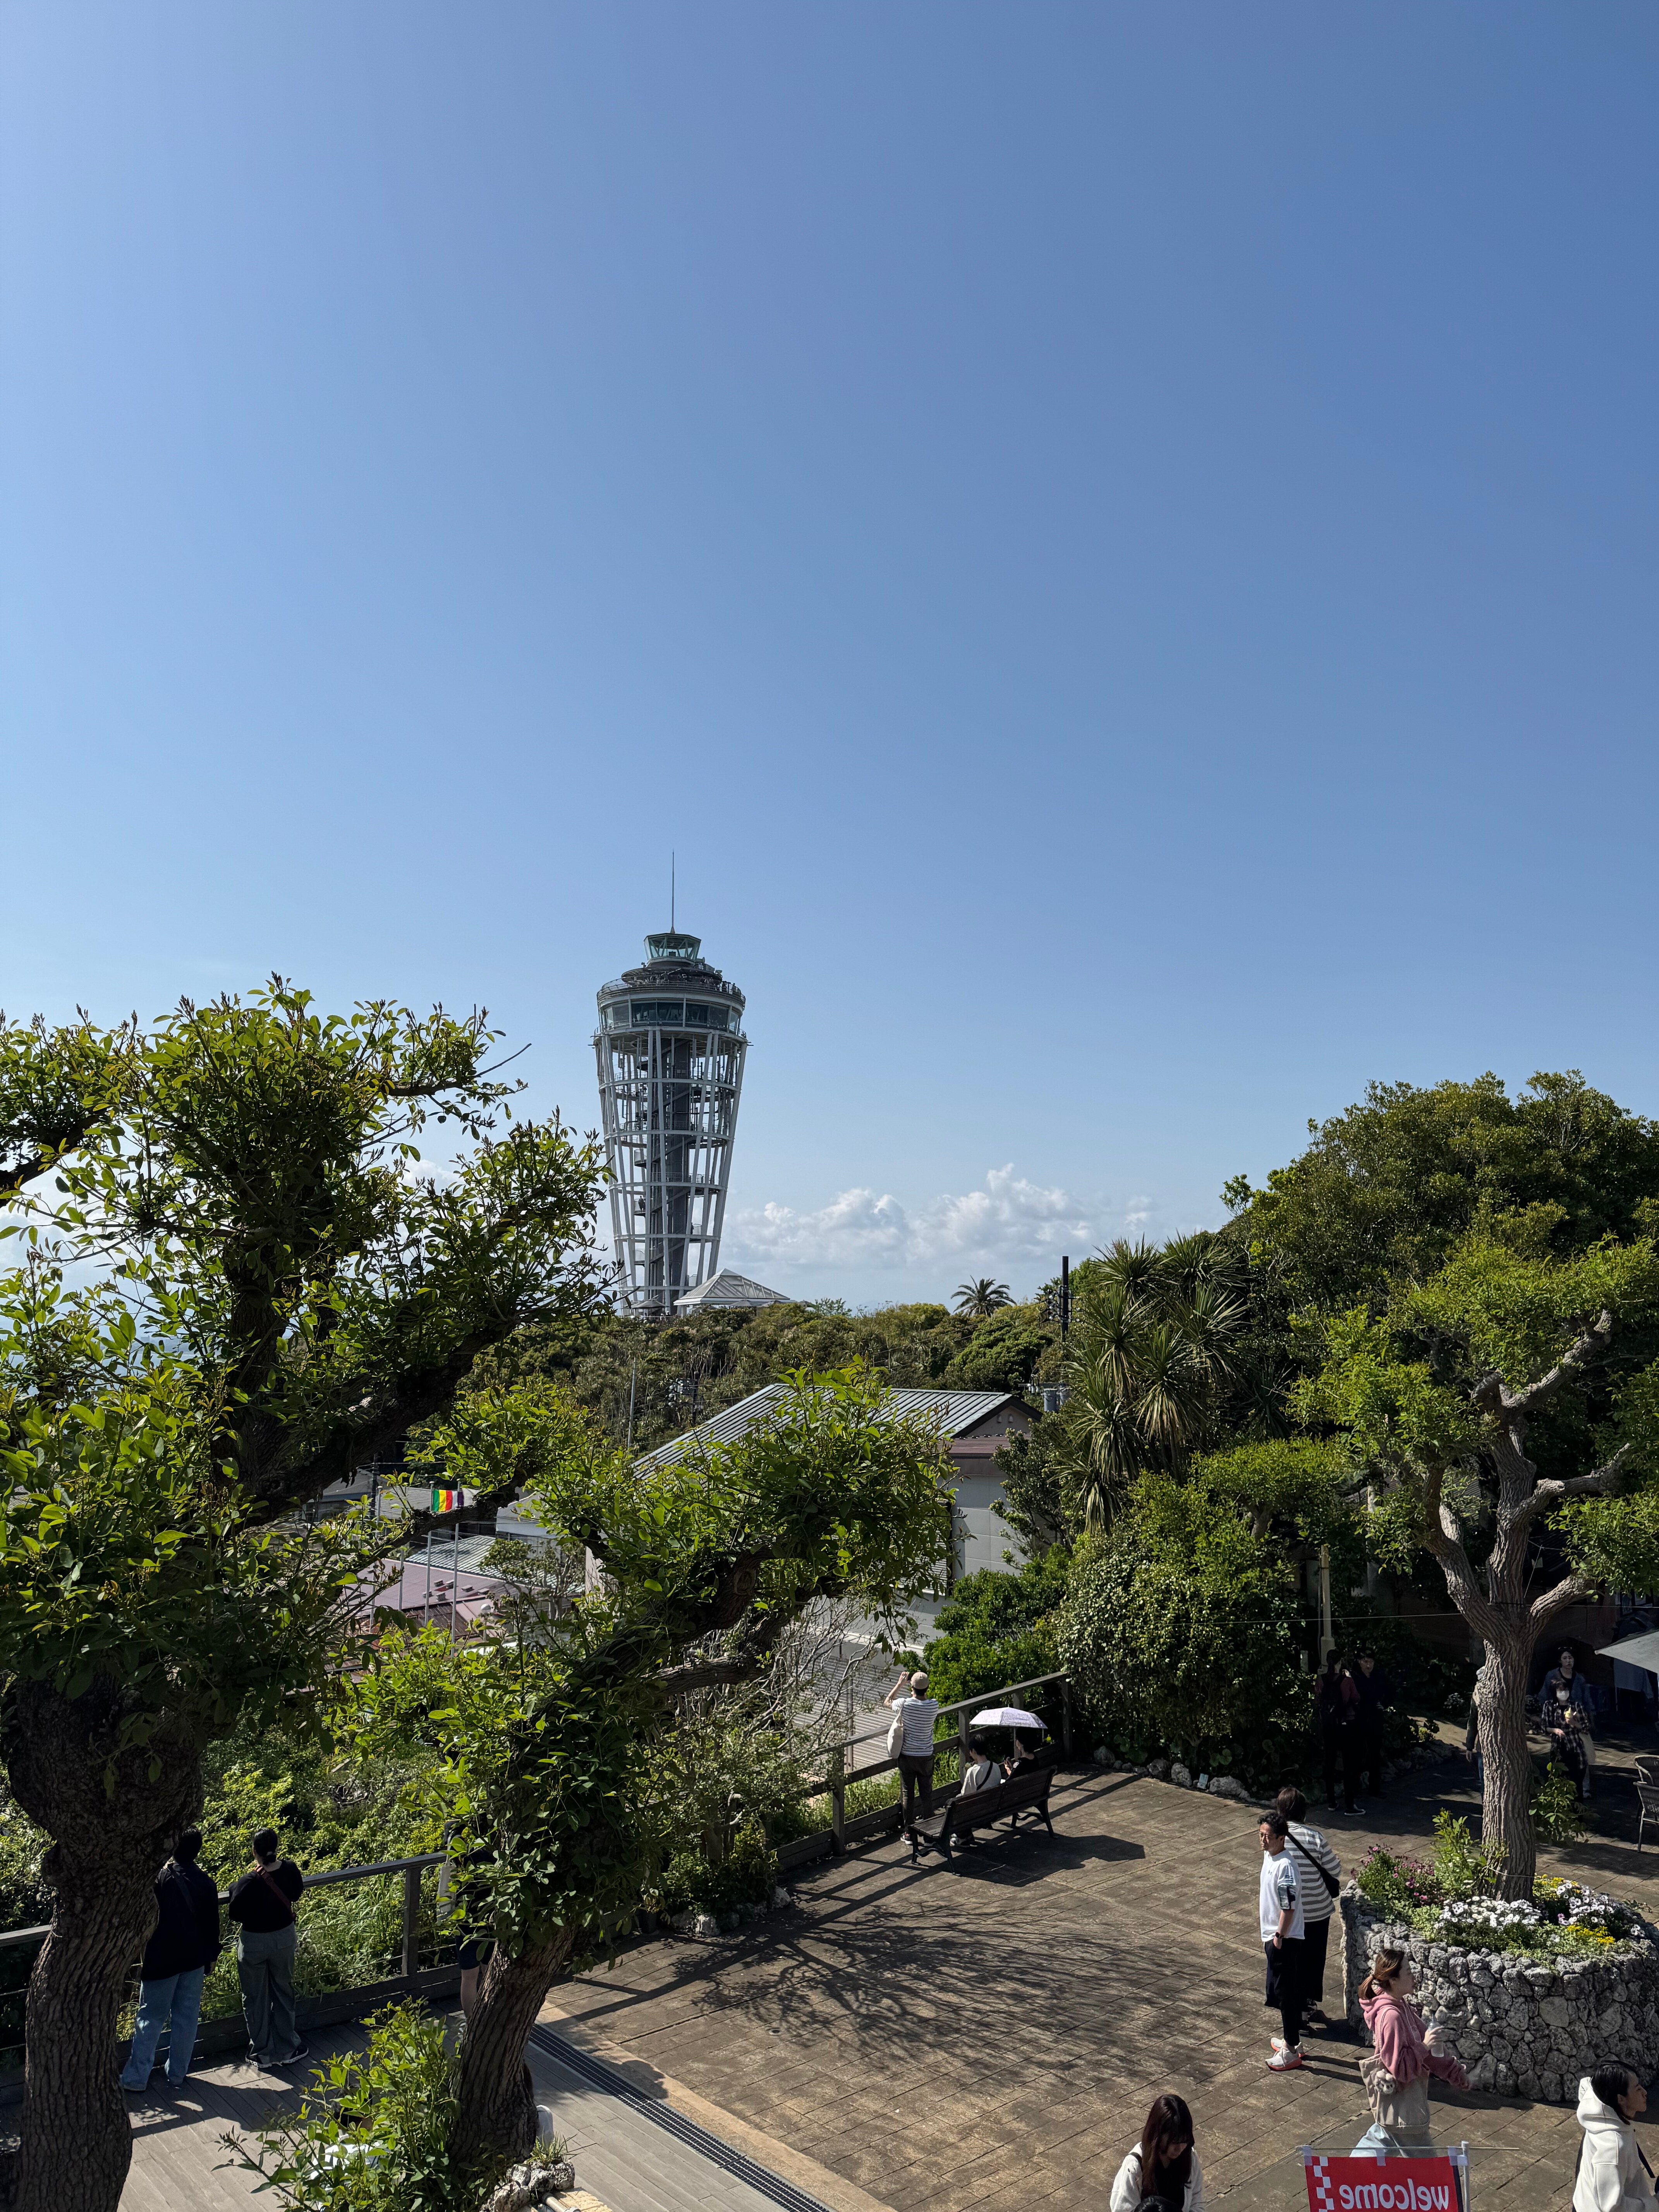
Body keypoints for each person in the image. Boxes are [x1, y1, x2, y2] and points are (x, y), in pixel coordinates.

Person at [119, 1829, 221, 2095]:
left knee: (150, 2018)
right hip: (194, 1960)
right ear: (198, 1850)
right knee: (186, 2019)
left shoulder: (160, 1880)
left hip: (162, 1961)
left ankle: (136, 2078)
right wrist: (212, 1956)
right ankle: (177, 2074)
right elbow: (213, 1926)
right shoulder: (206, 1882)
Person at [1357, 1946, 1468, 2155]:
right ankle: (1346, 2173)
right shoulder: (1391, 2017)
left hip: (1396, 2106)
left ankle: (1347, 2173)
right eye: (1408, 1972)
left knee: (1379, 2141)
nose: (1413, 1977)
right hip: (1406, 2112)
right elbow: (1399, 2068)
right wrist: (1424, 2046)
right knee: (1429, 2170)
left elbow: (1430, 2052)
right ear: (1393, 1980)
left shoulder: (1402, 2007)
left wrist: (1456, 2074)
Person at [227, 1825, 307, 2070]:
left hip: (254, 1943)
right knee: (283, 1990)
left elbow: (235, 1912)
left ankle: (262, 2051)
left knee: (255, 1997)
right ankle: (289, 2045)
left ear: (254, 1852)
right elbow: (297, 1893)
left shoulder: (249, 1881)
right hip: (283, 1939)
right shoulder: (290, 1869)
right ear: (276, 1847)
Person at [1276, 1786, 1341, 2028]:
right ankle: (1307, 2006)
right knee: (1313, 1962)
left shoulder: (1276, 1838)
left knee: (1292, 1963)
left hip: (1290, 1914)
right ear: (1304, 1812)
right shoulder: (1315, 1837)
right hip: (1317, 1912)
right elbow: (1335, 1870)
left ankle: (1294, 2012)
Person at [1574, 2064, 1658, 2212]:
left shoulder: (1599, 2099)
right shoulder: (1613, 2148)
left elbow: (1587, 2084)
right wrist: (1654, 2204)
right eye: (1638, 2089)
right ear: (1621, 2099)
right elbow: (1612, 2207)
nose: (1645, 2093)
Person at [1258, 1814, 1305, 2073]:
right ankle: (1292, 2041)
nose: (1263, 1840)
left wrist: (1279, 1936)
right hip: (1274, 1937)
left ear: (1281, 1838)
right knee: (1282, 1991)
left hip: (1283, 1940)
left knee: (1286, 1994)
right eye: (1261, 1835)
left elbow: (1288, 1906)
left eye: (1268, 1836)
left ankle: (1291, 2051)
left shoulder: (1286, 1866)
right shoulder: (1270, 1856)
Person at [1110, 2093, 1202, 2212]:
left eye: (1185, 2142)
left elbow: (1197, 2202)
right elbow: (1122, 2209)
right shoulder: (1134, 2167)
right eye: (1174, 2142)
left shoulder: (1189, 2158)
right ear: (1157, 2135)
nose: (1180, 2149)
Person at [884, 1669, 940, 1827]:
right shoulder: (934, 1705)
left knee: (908, 1794)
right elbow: (924, 1699)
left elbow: (887, 1701)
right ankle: (929, 1827)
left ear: (912, 1688)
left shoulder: (904, 1704)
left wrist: (900, 1684)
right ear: (927, 1688)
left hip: (907, 1756)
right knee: (926, 1794)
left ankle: (909, 1831)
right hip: (926, 1756)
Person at [1544, 1645, 1597, 1802]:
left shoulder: (1579, 1679)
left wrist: (1589, 1718)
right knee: (1560, 1766)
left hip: (1576, 1723)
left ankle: (1584, 1790)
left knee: (1582, 1757)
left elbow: (1587, 1700)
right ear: (1560, 1660)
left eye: (1571, 1658)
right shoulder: (1552, 1677)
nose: (1569, 1661)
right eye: (1565, 1658)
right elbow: (1545, 1697)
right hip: (1560, 1732)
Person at [1317, 1653, 1361, 1816]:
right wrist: (1350, 1678)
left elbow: (1318, 1700)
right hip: (1346, 1724)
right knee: (1349, 1764)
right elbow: (1356, 1698)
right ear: (1340, 1662)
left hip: (1328, 1726)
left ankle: (1332, 1801)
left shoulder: (1321, 1679)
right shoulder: (1347, 1680)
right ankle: (1350, 1805)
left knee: (1330, 1762)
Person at [1353, 1652, 1393, 1802]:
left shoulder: (1379, 1676)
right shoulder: (1355, 1677)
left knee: (1375, 1754)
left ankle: (1375, 1788)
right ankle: (1355, 1789)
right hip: (1359, 1719)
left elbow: (1391, 1691)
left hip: (1375, 1719)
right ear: (1360, 1662)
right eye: (1366, 1662)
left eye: (1371, 1662)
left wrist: (1384, 1704)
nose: (1369, 1665)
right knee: (1358, 1754)